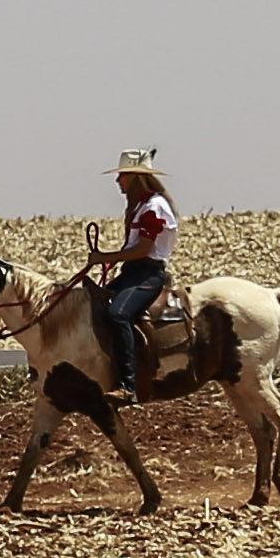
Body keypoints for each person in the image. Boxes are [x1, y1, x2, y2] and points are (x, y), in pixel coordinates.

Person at [82, 150, 178, 390]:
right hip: (134, 272)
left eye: (123, 175)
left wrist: (104, 257)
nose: (118, 181)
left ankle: (128, 384)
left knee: (118, 314)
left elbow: (143, 250)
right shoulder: (141, 206)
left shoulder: (153, 208)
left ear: (136, 177)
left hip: (148, 273)